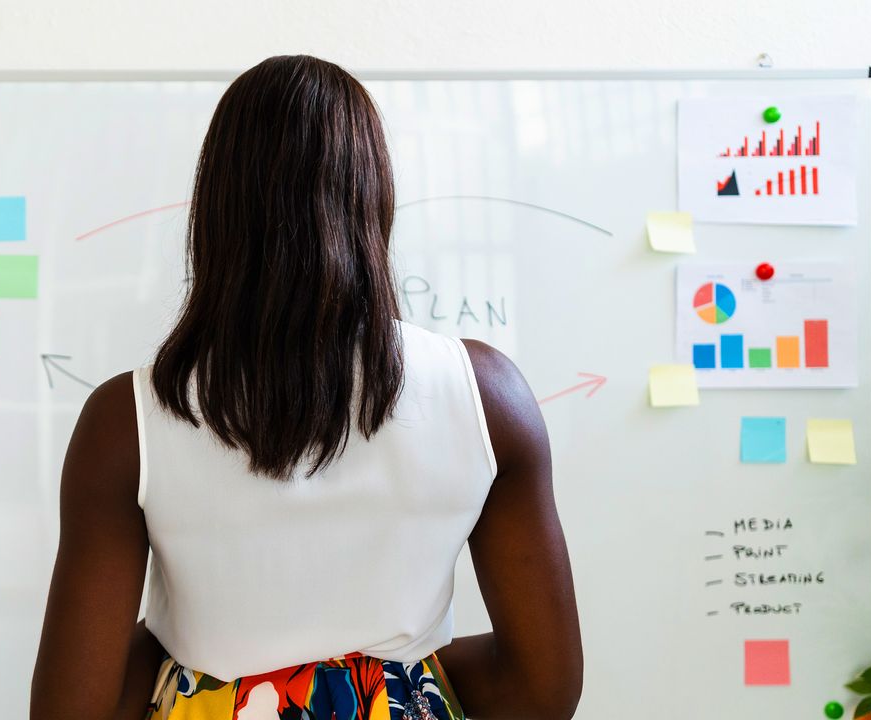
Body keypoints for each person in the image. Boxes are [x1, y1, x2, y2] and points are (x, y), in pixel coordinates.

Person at [30, 54, 582, 720]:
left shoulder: (127, 423)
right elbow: (542, 689)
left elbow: (72, 710)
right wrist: (380, 683)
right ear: (375, 195)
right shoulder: (488, 398)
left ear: (217, 208)